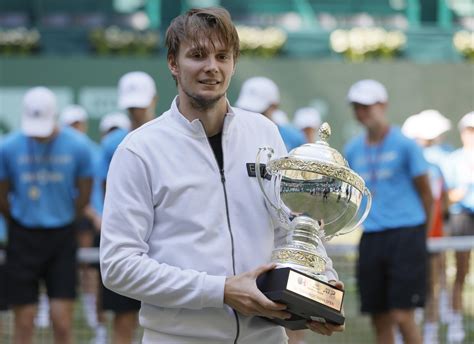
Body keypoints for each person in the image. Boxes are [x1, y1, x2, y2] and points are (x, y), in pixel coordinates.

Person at [100, 7, 344, 344]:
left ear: (233, 63)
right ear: (173, 63)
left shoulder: (264, 132)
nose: (211, 67)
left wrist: (321, 286)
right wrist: (221, 290)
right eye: (197, 55)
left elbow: (290, 227)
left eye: (222, 55)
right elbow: (119, 266)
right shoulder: (138, 151)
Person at [0, 87, 93, 344]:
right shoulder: (8, 147)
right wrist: (19, 219)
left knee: (62, 321)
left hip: (62, 237)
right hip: (22, 237)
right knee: (24, 321)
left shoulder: (79, 146)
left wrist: (66, 218)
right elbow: (2, 194)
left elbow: (84, 192)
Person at [344, 79, 433, 344]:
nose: (362, 113)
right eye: (357, 107)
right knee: (379, 317)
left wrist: (420, 235)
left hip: (407, 235)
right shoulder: (352, 149)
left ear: (383, 105)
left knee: (403, 315)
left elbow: (426, 193)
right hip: (371, 237)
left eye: (368, 106)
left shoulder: (406, 145)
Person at [97, 71, 157, 344]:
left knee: (165, 321)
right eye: (132, 106)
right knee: (124, 320)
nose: (137, 111)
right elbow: (103, 188)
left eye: (141, 105)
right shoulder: (113, 143)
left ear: (154, 100)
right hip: (126, 242)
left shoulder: (170, 136)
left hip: (163, 245)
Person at [402, 110, 451, 344]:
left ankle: (430, 331)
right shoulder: (413, 164)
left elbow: (441, 201)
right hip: (410, 235)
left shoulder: (434, 164)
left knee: (431, 284)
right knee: (411, 285)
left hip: (431, 235)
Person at [60, 104, 104, 331]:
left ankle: (90, 313)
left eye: (77, 124)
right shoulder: (62, 152)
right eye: (70, 125)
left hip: (91, 216)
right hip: (67, 216)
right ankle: (50, 309)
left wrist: (95, 214)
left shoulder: (93, 150)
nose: (75, 129)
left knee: (88, 266)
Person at [442, 111, 474, 344]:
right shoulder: (453, 160)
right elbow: (446, 197)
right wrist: (457, 195)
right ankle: (455, 321)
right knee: (461, 270)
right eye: (469, 130)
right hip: (462, 218)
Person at [235, 76, 306, 151]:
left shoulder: (293, 138)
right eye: (245, 111)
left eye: (259, 113)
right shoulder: (234, 135)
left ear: (274, 106)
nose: (251, 116)